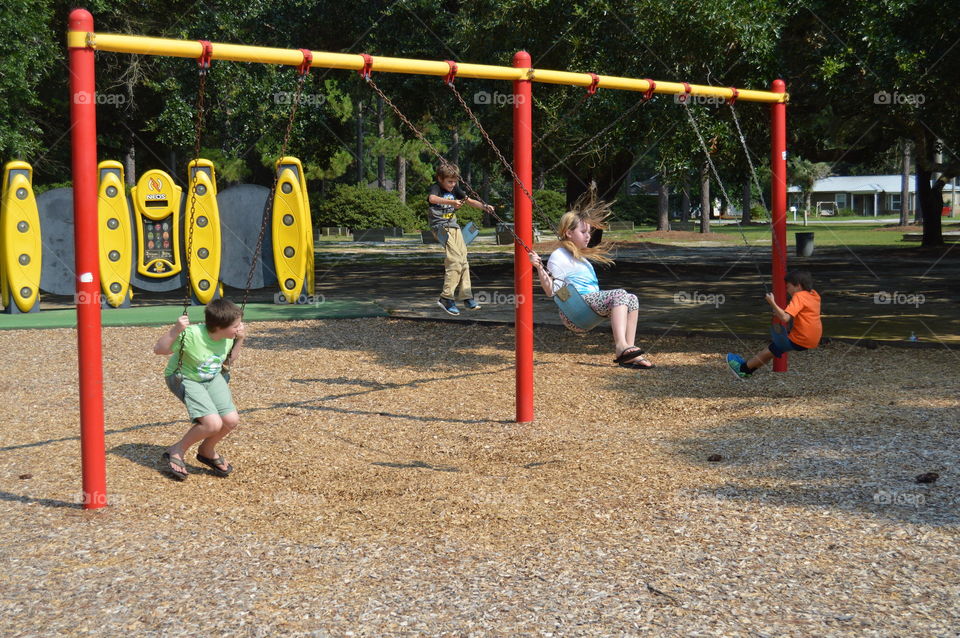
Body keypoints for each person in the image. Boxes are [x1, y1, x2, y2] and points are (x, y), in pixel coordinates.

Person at [528, 198, 653, 369]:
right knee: (620, 294)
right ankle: (620, 346)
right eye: (583, 232)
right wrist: (539, 268)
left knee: (632, 298)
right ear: (568, 233)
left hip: (589, 306)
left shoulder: (581, 258)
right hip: (575, 311)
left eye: (589, 232)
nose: (588, 236)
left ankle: (628, 352)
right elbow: (552, 292)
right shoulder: (559, 256)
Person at [153, 298, 245, 480]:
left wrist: (240, 339)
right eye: (236, 326)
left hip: (212, 378)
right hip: (184, 378)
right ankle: (177, 450)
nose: (240, 327)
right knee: (212, 424)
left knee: (231, 420)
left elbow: (228, 361)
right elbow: (159, 350)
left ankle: (206, 450)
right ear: (219, 326)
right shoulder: (192, 334)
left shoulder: (228, 337)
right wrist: (175, 330)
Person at [726, 270, 822, 378]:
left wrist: (772, 302)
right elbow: (801, 312)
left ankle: (742, 369)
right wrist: (778, 311)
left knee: (771, 349)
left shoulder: (799, 296)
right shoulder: (814, 295)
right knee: (773, 350)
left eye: (788, 287)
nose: (787, 290)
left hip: (801, 339)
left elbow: (785, 318)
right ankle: (749, 369)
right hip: (813, 339)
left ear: (798, 285)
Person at [428, 162, 495, 316]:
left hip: (454, 227)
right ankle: (446, 297)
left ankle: (466, 296)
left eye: (454, 182)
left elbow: (469, 201)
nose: (452, 185)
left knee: (463, 259)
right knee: (454, 260)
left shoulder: (455, 189)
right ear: (440, 179)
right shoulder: (436, 188)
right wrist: (451, 202)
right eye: (449, 182)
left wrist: (485, 206)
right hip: (440, 227)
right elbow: (432, 199)